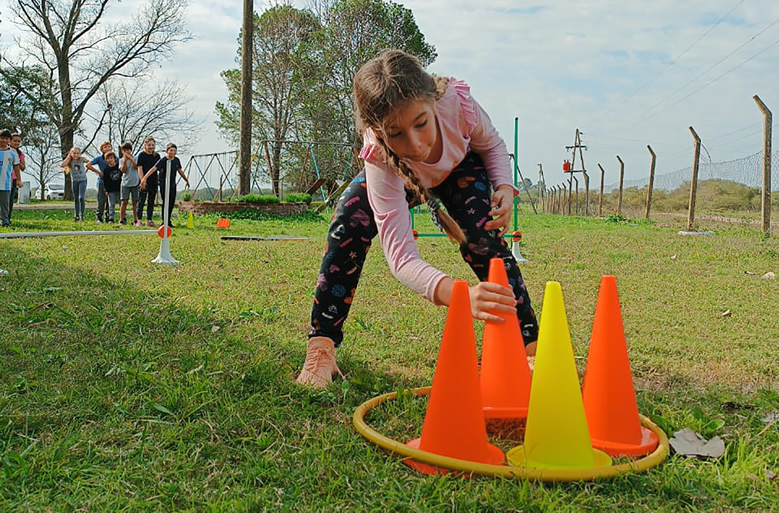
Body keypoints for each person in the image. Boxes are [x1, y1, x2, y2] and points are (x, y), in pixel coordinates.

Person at [296, 50, 538, 387]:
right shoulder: (380, 155)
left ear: (433, 102)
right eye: (396, 134)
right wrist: (459, 295)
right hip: (402, 176)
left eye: (421, 124)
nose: (415, 143)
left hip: (459, 171)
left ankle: (530, 346)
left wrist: (505, 187)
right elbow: (401, 258)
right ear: (378, 133)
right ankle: (320, 349)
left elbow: (492, 144)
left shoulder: (456, 103)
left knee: (483, 237)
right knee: (349, 219)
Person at [145, 143, 189, 228]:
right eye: (171, 150)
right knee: (166, 202)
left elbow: (180, 170)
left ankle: (168, 220)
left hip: (172, 184)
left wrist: (186, 180)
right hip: (163, 183)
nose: (173, 152)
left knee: (171, 202)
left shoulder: (176, 160)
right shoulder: (163, 160)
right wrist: (144, 178)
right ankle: (164, 221)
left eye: (174, 151)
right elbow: (154, 168)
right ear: (167, 151)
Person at [60, 146, 89, 222]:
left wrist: (86, 170)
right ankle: (76, 216)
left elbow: (89, 162)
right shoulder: (70, 161)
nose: (76, 155)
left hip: (83, 180)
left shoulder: (82, 159)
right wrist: (68, 158)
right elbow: (62, 165)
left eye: (77, 153)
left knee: (81, 197)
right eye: (74, 153)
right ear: (71, 153)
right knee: (76, 198)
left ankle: (82, 215)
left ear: (80, 154)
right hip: (75, 181)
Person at [0, 129, 22, 227]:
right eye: (2, 138)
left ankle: (5, 221)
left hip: (6, 183)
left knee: (5, 204)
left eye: (6, 138)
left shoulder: (12, 152)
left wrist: (18, 179)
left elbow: (16, 167)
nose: (4, 140)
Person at [136, 136, 160, 227]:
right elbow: (139, 168)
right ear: (145, 145)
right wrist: (142, 180)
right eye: (149, 145)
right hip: (144, 180)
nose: (151, 147)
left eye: (152, 145)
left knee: (151, 201)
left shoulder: (156, 156)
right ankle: (139, 220)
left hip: (154, 180)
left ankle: (149, 220)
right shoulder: (141, 155)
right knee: (141, 200)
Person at [86, 141, 112, 222]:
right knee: (101, 200)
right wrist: (98, 172)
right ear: (102, 150)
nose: (107, 148)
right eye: (105, 147)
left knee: (110, 201)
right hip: (102, 182)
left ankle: (108, 217)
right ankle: (99, 217)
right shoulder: (99, 159)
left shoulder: (114, 158)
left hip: (111, 182)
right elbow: (88, 165)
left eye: (109, 146)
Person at [118, 142, 142, 226]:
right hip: (125, 183)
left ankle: (135, 220)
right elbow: (123, 170)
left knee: (135, 202)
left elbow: (136, 167)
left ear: (131, 150)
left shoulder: (136, 158)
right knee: (124, 202)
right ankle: (121, 219)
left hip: (135, 183)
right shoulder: (121, 160)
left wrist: (131, 159)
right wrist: (125, 160)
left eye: (128, 150)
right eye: (124, 150)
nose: (126, 152)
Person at [9, 133, 25, 224]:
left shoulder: (20, 154)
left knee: (10, 199)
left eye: (18, 141)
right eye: (14, 141)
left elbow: (23, 168)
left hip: (14, 178)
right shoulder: (5, 151)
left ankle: (8, 217)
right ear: (10, 141)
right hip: (4, 177)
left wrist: (16, 161)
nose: (17, 143)